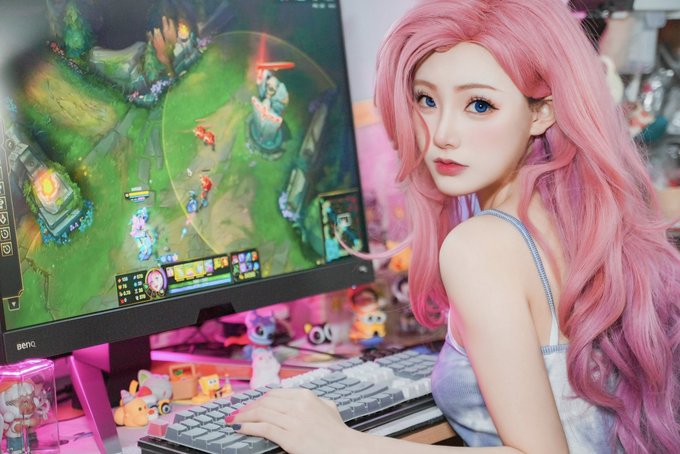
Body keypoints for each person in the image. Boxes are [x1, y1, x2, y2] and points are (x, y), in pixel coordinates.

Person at [227, 1, 680, 452]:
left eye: (479, 105)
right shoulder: (576, 222)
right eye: (426, 99)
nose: (442, 133)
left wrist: (339, 442)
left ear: (542, 112)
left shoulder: (480, 248)